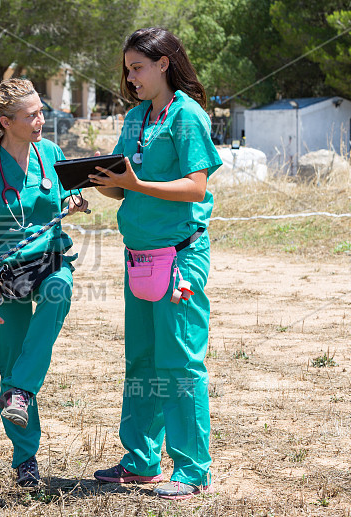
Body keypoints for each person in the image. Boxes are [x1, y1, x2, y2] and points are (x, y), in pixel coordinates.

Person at [90, 27, 222, 500]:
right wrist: (100, 181)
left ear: (164, 63)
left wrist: (138, 184)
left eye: (138, 67)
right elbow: (125, 184)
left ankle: (192, 468)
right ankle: (141, 460)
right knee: (142, 361)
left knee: (180, 362)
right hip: (139, 258)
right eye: (127, 69)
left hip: (180, 258)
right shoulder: (134, 118)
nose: (130, 77)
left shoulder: (188, 116)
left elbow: (195, 187)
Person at [0, 78, 89, 487]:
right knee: (10, 360)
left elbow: (68, 194)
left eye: (40, 111)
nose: (40, 120)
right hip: (5, 273)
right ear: (5, 121)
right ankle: (25, 458)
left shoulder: (50, 153)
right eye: (31, 115)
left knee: (60, 289)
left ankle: (20, 391)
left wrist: (73, 202)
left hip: (50, 261)